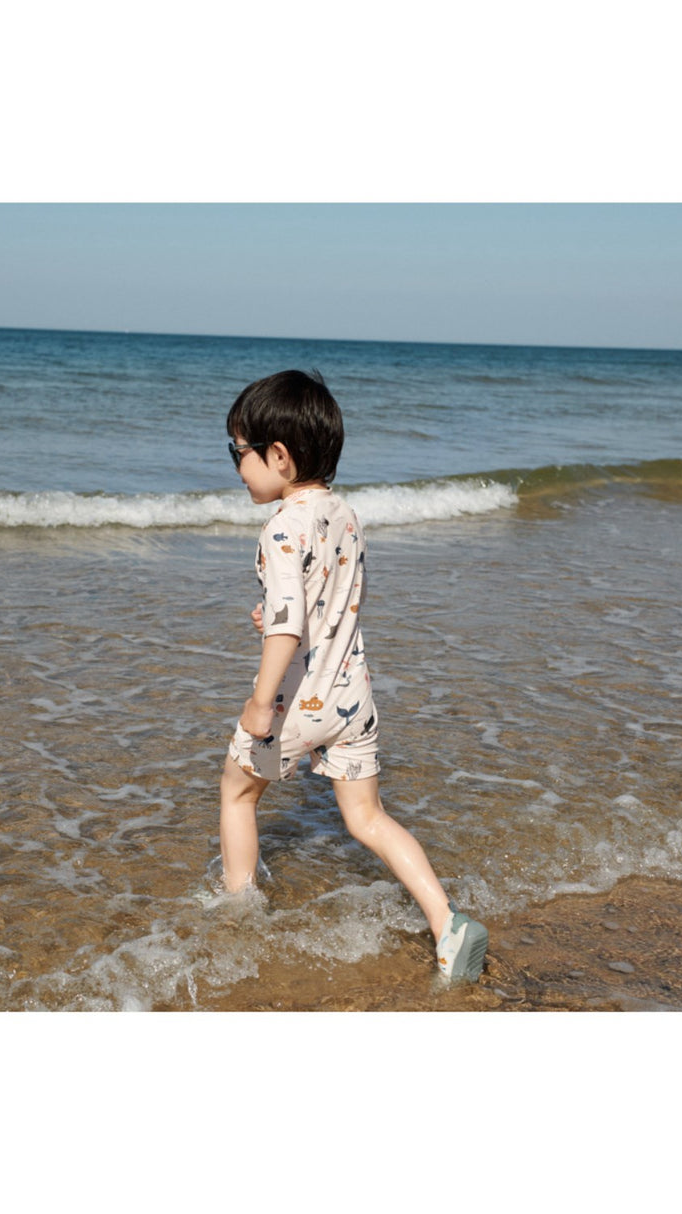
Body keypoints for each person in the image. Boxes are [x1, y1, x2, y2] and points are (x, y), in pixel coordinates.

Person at [219, 369, 488, 983]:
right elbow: (327, 598)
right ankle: (447, 924)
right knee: (368, 819)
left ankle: (237, 914)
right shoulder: (346, 515)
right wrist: (278, 613)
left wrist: (261, 702)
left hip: (299, 702)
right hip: (354, 697)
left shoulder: (282, 526)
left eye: (238, 453)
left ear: (279, 456)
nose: (237, 468)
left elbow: (288, 627)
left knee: (237, 791)